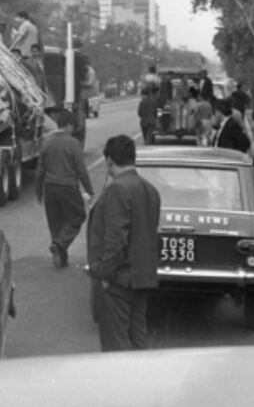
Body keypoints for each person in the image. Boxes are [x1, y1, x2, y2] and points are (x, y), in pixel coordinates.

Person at [86, 135, 161, 352]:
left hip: (118, 280)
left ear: (109, 161)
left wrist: (102, 274)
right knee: (138, 339)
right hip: (142, 277)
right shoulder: (150, 190)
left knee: (115, 344)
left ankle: (122, 385)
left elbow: (116, 241)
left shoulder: (117, 190)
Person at [36, 109, 94, 269]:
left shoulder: (46, 143)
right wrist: (89, 189)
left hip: (49, 188)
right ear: (68, 125)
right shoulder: (73, 143)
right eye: (73, 126)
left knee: (56, 223)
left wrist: (38, 191)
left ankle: (61, 257)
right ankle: (60, 244)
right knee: (77, 217)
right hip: (68, 187)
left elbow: (40, 170)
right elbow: (81, 169)